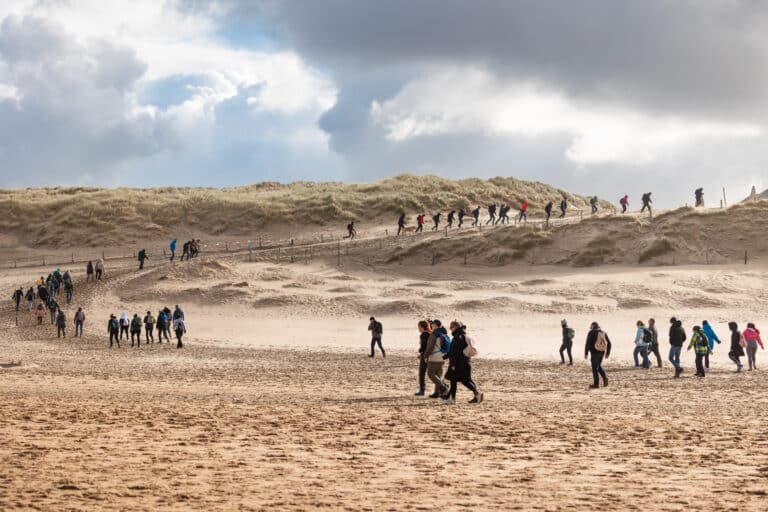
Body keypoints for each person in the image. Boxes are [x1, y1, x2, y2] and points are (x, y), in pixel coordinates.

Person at [443, 321, 482, 404]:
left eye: (451, 327)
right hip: (466, 361)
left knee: (455, 380)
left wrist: (452, 364)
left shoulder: (457, 337)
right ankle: (476, 395)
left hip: (458, 363)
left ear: (456, 327)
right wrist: (445, 357)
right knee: (466, 380)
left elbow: (454, 352)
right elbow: (455, 351)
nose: (450, 329)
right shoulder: (464, 336)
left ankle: (453, 399)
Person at [424, 320, 449, 398]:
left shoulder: (434, 334)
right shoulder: (444, 333)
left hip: (434, 357)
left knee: (431, 374)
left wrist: (426, 356)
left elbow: (430, 346)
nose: (431, 325)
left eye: (432, 324)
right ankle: (436, 393)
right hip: (443, 357)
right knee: (438, 375)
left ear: (435, 325)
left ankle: (444, 388)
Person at [585, 321, 612, 388]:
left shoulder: (591, 332)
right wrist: (607, 353)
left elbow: (587, 343)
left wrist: (586, 353)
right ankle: (605, 378)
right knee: (598, 366)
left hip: (594, 353)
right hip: (602, 352)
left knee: (595, 369)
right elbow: (609, 343)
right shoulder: (603, 332)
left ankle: (596, 384)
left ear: (593, 326)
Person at [415, 320, 431, 396]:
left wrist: (421, 352)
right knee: (432, 373)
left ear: (422, 327)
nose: (418, 328)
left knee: (422, 373)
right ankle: (441, 387)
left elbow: (424, 346)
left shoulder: (424, 334)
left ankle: (422, 390)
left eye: (418, 327)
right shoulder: (430, 332)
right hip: (431, 355)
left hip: (425, 355)